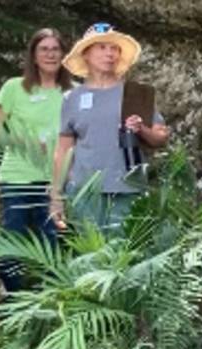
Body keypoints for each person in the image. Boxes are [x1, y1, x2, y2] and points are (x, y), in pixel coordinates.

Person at [52, 22, 170, 234]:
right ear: (86, 54)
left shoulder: (135, 94)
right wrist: (55, 196)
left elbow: (161, 137)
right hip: (84, 193)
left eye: (114, 48)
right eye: (102, 47)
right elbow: (63, 150)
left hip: (129, 190)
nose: (110, 53)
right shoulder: (72, 98)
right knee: (88, 252)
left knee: (125, 251)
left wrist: (142, 129)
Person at [0, 28, 71, 292]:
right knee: (11, 247)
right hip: (17, 179)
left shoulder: (72, 93)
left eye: (55, 49)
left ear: (64, 54)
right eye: (44, 49)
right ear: (34, 55)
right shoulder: (14, 88)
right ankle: (16, 300)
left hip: (56, 181)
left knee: (52, 246)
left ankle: (47, 302)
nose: (50, 54)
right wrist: (25, 143)